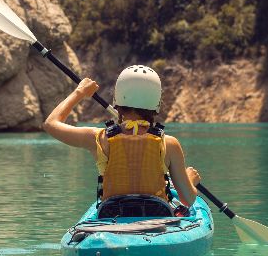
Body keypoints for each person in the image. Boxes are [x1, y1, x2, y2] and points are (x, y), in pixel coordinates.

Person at [43, 65, 202, 216]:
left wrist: (79, 92)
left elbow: (51, 124)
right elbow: (187, 199)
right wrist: (190, 180)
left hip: (112, 217)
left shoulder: (98, 138)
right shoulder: (169, 143)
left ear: (116, 101)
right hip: (157, 219)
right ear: (157, 104)